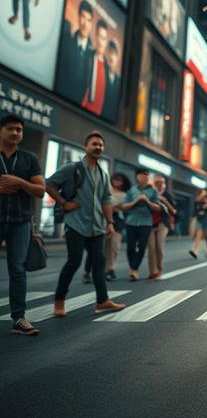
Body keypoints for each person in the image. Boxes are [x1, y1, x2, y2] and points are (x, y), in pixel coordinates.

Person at [46, 131, 125, 317]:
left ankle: (103, 301)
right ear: (86, 147)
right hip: (76, 224)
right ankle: (59, 301)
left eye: (100, 145)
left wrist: (110, 223)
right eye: (94, 144)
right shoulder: (71, 168)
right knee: (74, 262)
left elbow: (106, 200)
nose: (98, 147)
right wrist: (64, 203)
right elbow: (48, 184)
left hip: (97, 226)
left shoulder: (104, 174)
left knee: (99, 262)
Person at [0, 114, 45, 335]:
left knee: (18, 270)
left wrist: (19, 182)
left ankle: (19, 318)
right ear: (1, 130)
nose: (16, 133)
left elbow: (40, 190)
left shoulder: (29, 158)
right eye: (11, 129)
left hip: (20, 222)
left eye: (19, 129)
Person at [120, 168, 161, 281]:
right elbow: (124, 207)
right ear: (137, 177)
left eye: (146, 176)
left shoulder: (153, 191)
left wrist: (147, 201)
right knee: (130, 247)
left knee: (142, 247)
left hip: (146, 222)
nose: (144, 177)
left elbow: (158, 208)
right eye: (142, 175)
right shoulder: (132, 190)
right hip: (131, 222)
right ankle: (133, 268)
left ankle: (134, 269)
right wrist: (136, 201)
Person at [56, 0, 94, 104]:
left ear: (91, 24)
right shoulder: (66, 43)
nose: (85, 24)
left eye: (89, 20)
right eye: (83, 17)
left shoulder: (93, 55)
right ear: (78, 17)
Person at [147, 174, 176, 279]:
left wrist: (164, 201)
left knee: (159, 246)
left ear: (164, 184)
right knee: (151, 248)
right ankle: (152, 271)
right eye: (156, 182)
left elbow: (173, 211)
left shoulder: (168, 195)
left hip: (162, 223)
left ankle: (159, 269)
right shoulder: (149, 194)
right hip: (149, 224)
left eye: (161, 182)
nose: (159, 184)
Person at [105, 172, 130, 280]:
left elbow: (126, 208)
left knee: (114, 246)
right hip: (104, 220)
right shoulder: (106, 191)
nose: (116, 182)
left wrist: (118, 207)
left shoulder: (126, 194)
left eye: (119, 180)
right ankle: (103, 269)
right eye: (114, 179)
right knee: (102, 246)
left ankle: (111, 268)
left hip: (117, 221)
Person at [81, 19, 109, 116]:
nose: (101, 42)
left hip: (99, 118)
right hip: (83, 112)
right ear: (96, 37)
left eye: (104, 38)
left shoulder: (107, 69)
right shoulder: (87, 57)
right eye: (100, 37)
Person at [190, 189, 207, 258]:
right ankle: (195, 251)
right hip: (200, 219)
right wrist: (194, 216)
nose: (203, 193)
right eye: (202, 192)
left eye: (204, 192)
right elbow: (195, 210)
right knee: (198, 234)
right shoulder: (197, 201)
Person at [103, 39, 121, 121]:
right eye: (110, 53)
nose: (112, 57)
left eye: (114, 54)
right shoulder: (101, 73)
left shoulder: (119, 81)